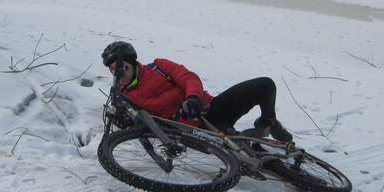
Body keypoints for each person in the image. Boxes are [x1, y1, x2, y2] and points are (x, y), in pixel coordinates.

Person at [101, 41, 292, 142]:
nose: (119, 74)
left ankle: (269, 122)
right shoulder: (122, 97)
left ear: (133, 63)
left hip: (210, 110)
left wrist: (192, 98)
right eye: (113, 71)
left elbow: (188, 78)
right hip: (189, 132)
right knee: (247, 153)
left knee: (265, 85)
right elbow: (135, 120)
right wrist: (124, 122)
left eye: (122, 67)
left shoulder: (159, 66)